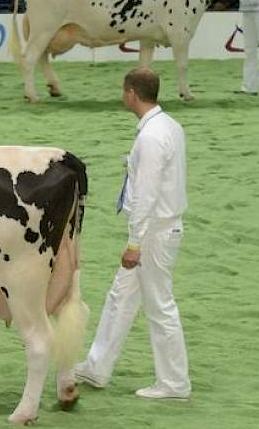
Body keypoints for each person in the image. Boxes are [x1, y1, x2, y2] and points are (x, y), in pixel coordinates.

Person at [75, 67, 191, 401]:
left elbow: (147, 194)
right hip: (159, 227)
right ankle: (97, 367)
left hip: (154, 233)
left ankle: (174, 383)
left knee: (160, 306)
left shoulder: (152, 137)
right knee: (119, 297)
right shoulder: (169, 126)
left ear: (131, 94)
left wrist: (134, 242)